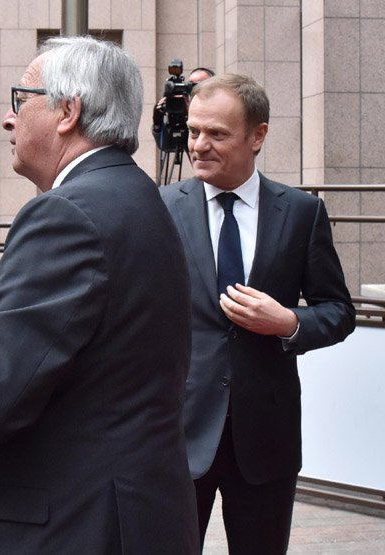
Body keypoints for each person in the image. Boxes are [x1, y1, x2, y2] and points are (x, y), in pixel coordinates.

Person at [0, 36, 199, 554]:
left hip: (76, 524)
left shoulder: (66, 213)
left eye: (22, 99)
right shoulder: (138, 197)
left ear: (68, 110)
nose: (8, 119)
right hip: (134, 512)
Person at [160, 74, 356, 553]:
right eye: (194, 131)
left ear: (258, 136)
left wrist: (288, 323)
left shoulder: (302, 213)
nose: (199, 146)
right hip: (178, 436)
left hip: (267, 442)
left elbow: (339, 311)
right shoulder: (161, 207)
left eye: (218, 134)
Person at [152, 66, 215, 150]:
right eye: (190, 85)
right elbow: (167, 146)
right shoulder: (182, 109)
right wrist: (157, 123)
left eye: (197, 85)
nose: (193, 90)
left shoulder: (220, 111)